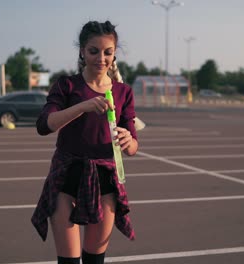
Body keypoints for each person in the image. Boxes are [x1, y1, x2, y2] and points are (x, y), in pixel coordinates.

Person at [31, 20, 139, 264]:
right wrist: (83, 106)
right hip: (67, 176)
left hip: (105, 180)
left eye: (108, 52)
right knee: (69, 261)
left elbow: (133, 147)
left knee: (94, 260)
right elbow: (43, 125)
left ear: (114, 53)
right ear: (82, 51)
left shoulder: (123, 92)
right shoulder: (67, 85)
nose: (101, 58)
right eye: (94, 51)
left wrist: (127, 139)